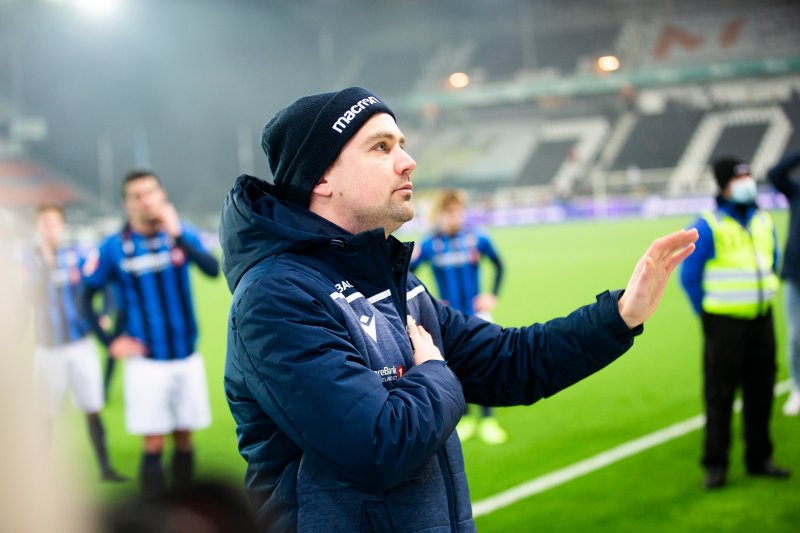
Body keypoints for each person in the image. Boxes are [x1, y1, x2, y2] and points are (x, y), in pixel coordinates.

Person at [218, 86, 697, 531]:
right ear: (321, 176)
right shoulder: (276, 297)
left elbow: (512, 361)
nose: (408, 162)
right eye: (381, 147)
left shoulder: (392, 282)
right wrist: (436, 372)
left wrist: (620, 316)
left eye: (401, 144)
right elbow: (378, 448)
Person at [82, 170, 219, 496]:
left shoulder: (180, 233)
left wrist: (176, 234)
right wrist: (109, 341)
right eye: (137, 195)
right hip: (146, 362)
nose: (145, 200)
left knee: (185, 438)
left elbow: (212, 270)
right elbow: (85, 296)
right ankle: (154, 516)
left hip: (186, 354)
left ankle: (186, 511)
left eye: (151, 192)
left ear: (162, 195)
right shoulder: (114, 247)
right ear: (127, 204)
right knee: (154, 441)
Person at [679, 156, 790, 490]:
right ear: (724, 183)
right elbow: (689, 276)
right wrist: (707, 314)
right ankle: (716, 464)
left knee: (761, 391)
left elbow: (771, 261)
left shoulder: (762, 220)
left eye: (748, 175)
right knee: (720, 395)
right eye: (739, 177)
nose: (747, 182)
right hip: (723, 323)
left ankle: (759, 458)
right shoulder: (708, 224)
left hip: (761, 319)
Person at [30, 205, 125, 483]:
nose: (50, 228)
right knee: (45, 414)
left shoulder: (77, 256)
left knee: (92, 407)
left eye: (54, 223)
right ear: (37, 228)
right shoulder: (29, 260)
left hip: (80, 344)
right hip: (47, 349)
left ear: (62, 226)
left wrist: (105, 313)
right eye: (44, 223)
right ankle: (40, 476)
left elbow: (104, 283)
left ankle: (106, 468)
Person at [410, 188, 508, 444]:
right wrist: (430, 300)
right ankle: (464, 417)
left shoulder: (477, 238)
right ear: (439, 214)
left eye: (458, 211)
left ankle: (488, 420)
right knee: (453, 368)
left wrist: (492, 294)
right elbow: (407, 274)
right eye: (449, 212)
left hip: (477, 315)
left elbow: (499, 264)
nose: (455, 217)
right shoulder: (430, 244)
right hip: (447, 319)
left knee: (486, 365)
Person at [767, 149, 800, 415]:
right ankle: (798, 388)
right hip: (795, 276)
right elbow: (773, 174)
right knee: (796, 337)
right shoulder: (796, 191)